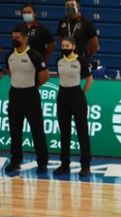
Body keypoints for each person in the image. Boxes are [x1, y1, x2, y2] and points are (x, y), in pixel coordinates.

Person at [5, 25, 49, 175]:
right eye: (12, 37)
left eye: (17, 37)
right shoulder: (9, 55)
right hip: (14, 95)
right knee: (15, 131)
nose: (14, 40)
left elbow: (45, 76)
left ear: (25, 38)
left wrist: (31, 87)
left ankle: (42, 162)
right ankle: (15, 161)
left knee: (37, 131)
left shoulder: (34, 55)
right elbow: (11, 73)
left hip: (30, 95)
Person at [53, 35, 91, 177]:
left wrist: (82, 93)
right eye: (63, 46)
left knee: (82, 132)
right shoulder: (59, 61)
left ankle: (85, 166)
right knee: (64, 132)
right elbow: (61, 77)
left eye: (67, 46)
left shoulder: (81, 61)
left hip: (77, 96)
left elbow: (90, 79)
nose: (65, 48)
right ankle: (64, 164)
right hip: (62, 96)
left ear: (73, 47)